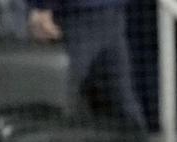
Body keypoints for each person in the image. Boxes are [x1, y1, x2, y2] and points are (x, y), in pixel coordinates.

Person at [27, 0, 146, 130]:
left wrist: (42, 7)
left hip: (91, 13)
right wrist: (42, 7)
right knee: (122, 103)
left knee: (58, 101)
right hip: (91, 13)